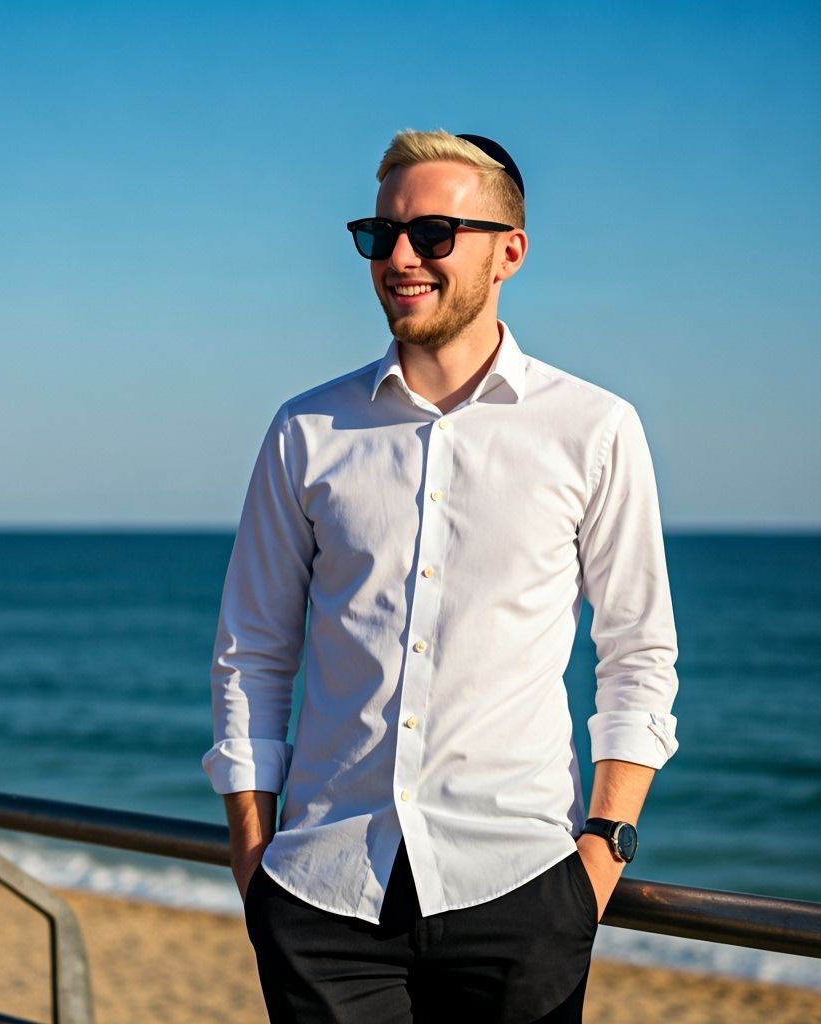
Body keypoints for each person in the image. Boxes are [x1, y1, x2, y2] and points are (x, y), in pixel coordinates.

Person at [202, 129, 679, 1023]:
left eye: (432, 234)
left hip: (521, 896)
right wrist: (253, 852)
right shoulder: (306, 430)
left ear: (510, 251)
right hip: (321, 900)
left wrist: (602, 852)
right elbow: (251, 651)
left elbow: (639, 653)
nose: (401, 258)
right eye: (381, 236)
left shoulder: (594, 428)